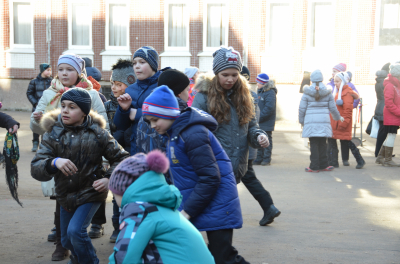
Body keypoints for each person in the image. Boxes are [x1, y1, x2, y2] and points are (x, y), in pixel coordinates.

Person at [143, 85, 245, 264]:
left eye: (154, 120)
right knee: (205, 255)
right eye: (149, 121)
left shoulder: (192, 133)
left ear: (168, 114)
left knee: (223, 257)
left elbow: (210, 177)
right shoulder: (174, 134)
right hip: (203, 201)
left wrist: (188, 211)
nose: (152, 126)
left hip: (218, 203)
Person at [31, 88, 129, 264]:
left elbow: (123, 158)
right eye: (63, 106)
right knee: (67, 240)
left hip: (91, 192)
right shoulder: (53, 134)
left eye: (72, 107)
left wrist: (109, 178)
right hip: (65, 194)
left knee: (76, 232)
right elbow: (36, 167)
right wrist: (54, 162)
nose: (65, 110)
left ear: (84, 112)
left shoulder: (98, 133)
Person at [29, 53, 109, 261]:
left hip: (87, 166)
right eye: (61, 69)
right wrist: (37, 120)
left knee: (76, 225)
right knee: (62, 203)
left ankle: (79, 249)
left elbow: (104, 125)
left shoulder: (91, 96)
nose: (64, 73)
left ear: (79, 72)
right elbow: (38, 128)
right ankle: (62, 243)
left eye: (69, 69)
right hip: (59, 160)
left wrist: (107, 168)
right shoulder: (50, 93)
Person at [192, 46, 281, 227]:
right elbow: (195, 130)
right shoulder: (203, 96)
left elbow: (252, 126)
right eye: (225, 74)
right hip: (213, 164)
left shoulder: (245, 95)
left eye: (234, 74)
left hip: (237, 162)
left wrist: (259, 137)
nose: (230, 79)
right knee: (212, 213)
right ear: (216, 73)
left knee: (222, 217)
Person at [108, 150, 215, 264]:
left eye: (113, 193)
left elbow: (124, 255)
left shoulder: (140, 210)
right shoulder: (161, 207)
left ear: (122, 190)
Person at [105, 58, 135, 243]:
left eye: (119, 84)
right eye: (112, 84)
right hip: (117, 156)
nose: (114, 88)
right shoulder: (108, 106)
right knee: (118, 190)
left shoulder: (137, 103)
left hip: (135, 154)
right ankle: (117, 227)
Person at [113, 46, 163, 155]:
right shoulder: (130, 89)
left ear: (153, 65)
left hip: (157, 147)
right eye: (134, 63)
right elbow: (120, 125)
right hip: (134, 147)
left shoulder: (162, 87)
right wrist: (124, 110)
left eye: (142, 62)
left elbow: (165, 114)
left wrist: (137, 114)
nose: (137, 66)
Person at [136, 69, 190, 155]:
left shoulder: (146, 116)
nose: (189, 96)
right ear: (180, 92)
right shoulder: (181, 116)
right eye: (187, 90)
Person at [299, 70, 343, 172]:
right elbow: (333, 108)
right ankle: (324, 164)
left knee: (313, 143)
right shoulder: (328, 93)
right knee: (323, 143)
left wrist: (302, 121)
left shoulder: (306, 93)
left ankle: (314, 166)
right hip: (324, 121)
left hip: (311, 122)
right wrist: (337, 118)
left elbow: (302, 109)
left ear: (311, 80)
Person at [327, 72, 365, 169]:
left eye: (338, 81)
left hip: (341, 122)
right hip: (336, 122)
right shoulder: (339, 91)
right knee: (333, 142)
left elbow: (347, 111)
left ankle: (359, 160)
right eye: (334, 81)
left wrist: (343, 124)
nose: (335, 83)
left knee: (346, 141)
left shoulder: (346, 93)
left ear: (343, 81)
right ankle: (333, 162)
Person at [376, 63, 400, 167]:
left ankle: (381, 157)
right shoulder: (391, 86)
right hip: (392, 116)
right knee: (391, 136)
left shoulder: (395, 85)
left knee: (390, 136)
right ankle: (387, 160)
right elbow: (389, 103)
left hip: (393, 115)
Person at [26, 63, 52, 152]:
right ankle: (35, 142)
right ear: (42, 70)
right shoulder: (34, 81)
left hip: (48, 107)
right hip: (37, 107)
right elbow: (29, 93)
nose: (49, 72)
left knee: (45, 125)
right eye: (47, 70)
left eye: (50, 70)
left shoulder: (52, 82)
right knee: (36, 124)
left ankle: (43, 144)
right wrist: (35, 103)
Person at [253, 73, 277, 166]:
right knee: (259, 139)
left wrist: (259, 117)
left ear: (263, 83)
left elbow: (269, 108)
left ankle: (266, 159)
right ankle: (259, 158)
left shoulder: (270, 92)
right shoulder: (260, 91)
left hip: (266, 121)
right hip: (259, 120)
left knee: (267, 140)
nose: (257, 84)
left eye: (258, 82)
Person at [374, 63, 390, 158]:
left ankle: (379, 152)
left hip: (380, 106)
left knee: (382, 132)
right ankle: (380, 153)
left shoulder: (378, 82)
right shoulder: (385, 83)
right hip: (385, 108)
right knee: (384, 132)